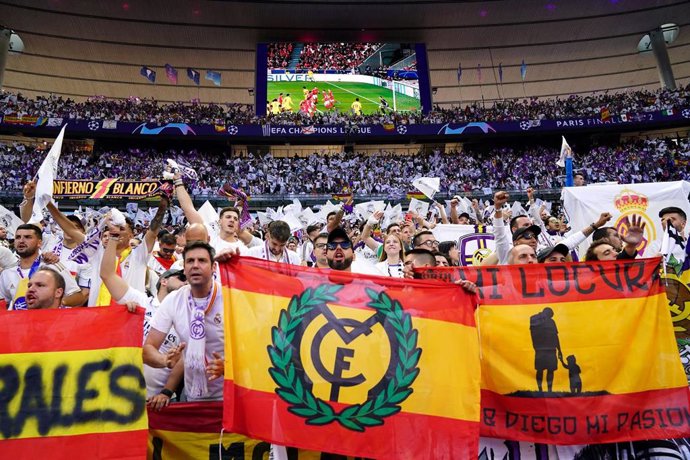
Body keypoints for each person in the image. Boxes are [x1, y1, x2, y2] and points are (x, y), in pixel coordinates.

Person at [100, 234, 186, 406]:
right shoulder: (140, 302)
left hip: (155, 400)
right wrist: (114, 238)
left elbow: (181, 362)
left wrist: (166, 392)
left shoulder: (185, 319)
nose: (186, 282)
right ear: (164, 281)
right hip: (118, 393)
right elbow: (107, 275)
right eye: (181, 278)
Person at [144, 241, 225, 401]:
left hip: (229, 396)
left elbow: (252, 349)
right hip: (192, 396)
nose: (195, 266)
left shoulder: (231, 298)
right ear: (185, 268)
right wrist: (164, 360)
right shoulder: (174, 300)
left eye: (202, 261)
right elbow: (148, 348)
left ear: (214, 267)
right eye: (190, 261)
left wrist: (229, 367)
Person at [0, 224, 80, 310]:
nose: (21, 241)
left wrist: (56, 303)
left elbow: (77, 296)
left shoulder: (53, 266)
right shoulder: (7, 273)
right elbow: (3, 304)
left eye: (28, 237)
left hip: (49, 320)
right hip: (20, 322)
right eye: (18, 237)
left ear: (39, 243)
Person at [175, 173, 259, 253]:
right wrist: (178, 181)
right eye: (228, 217)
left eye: (235, 219)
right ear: (219, 221)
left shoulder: (244, 250)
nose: (232, 220)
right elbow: (188, 209)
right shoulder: (210, 236)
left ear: (238, 224)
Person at [530, 307, 563, 393]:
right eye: (550, 315)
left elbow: (555, 336)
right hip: (541, 349)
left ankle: (549, 390)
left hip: (549, 349)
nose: (550, 317)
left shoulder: (551, 322)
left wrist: (559, 350)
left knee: (550, 370)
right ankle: (541, 389)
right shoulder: (534, 319)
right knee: (540, 370)